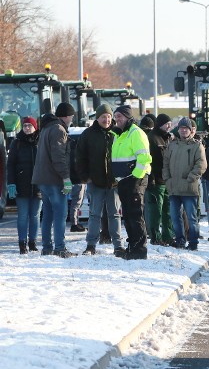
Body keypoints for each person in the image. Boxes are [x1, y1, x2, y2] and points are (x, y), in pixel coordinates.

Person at [75, 103, 125, 257]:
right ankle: (91, 245)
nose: (107, 119)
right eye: (104, 117)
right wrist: (85, 177)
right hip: (95, 182)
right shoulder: (88, 134)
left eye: (109, 116)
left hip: (113, 182)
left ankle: (118, 245)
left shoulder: (117, 133)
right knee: (94, 214)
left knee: (115, 215)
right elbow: (80, 157)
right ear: (97, 118)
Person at [32, 102, 77, 258]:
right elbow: (59, 157)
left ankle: (47, 247)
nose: (72, 119)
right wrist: (66, 178)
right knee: (60, 213)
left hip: (42, 178)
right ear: (65, 116)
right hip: (54, 179)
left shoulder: (46, 128)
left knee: (48, 213)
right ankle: (60, 247)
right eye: (71, 116)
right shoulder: (58, 129)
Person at [111, 105, 152, 260]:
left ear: (128, 117)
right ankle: (132, 247)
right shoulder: (119, 134)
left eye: (120, 116)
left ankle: (139, 250)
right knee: (128, 216)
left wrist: (136, 177)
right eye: (116, 116)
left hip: (135, 180)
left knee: (135, 215)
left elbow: (144, 158)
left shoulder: (136, 133)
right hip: (124, 181)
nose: (117, 119)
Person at [163, 117, 207, 251]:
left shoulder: (196, 146)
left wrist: (191, 178)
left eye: (185, 128)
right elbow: (165, 162)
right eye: (181, 128)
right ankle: (180, 240)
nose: (183, 130)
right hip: (174, 188)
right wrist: (167, 178)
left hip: (189, 188)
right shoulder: (172, 145)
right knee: (175, 217)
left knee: (192, 217)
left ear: (190, 130)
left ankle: (193, 242)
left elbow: (201, 164)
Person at [7, 116, 41, 254]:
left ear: (35, 127)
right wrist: (11, 184)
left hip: (38, 185)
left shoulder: (40, 141)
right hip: (21, 185)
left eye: (30, 125)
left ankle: (33, 242)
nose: (27, 128)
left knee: (35, 216)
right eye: (25, 125)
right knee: (22, 216)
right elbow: (10, 165)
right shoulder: (17, 143)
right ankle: (22, 243)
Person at [146, 113, 175, 246]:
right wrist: (150, 178)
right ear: (159, 124)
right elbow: (148, 160)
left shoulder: (169, 138)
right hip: (156, 180)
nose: (169, 126)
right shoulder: (152, 138)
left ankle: (168, 236)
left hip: (168, 181)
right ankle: (155, 237)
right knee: (156, 211)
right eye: (166, 124)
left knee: (168, 211)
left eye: (170, 124)